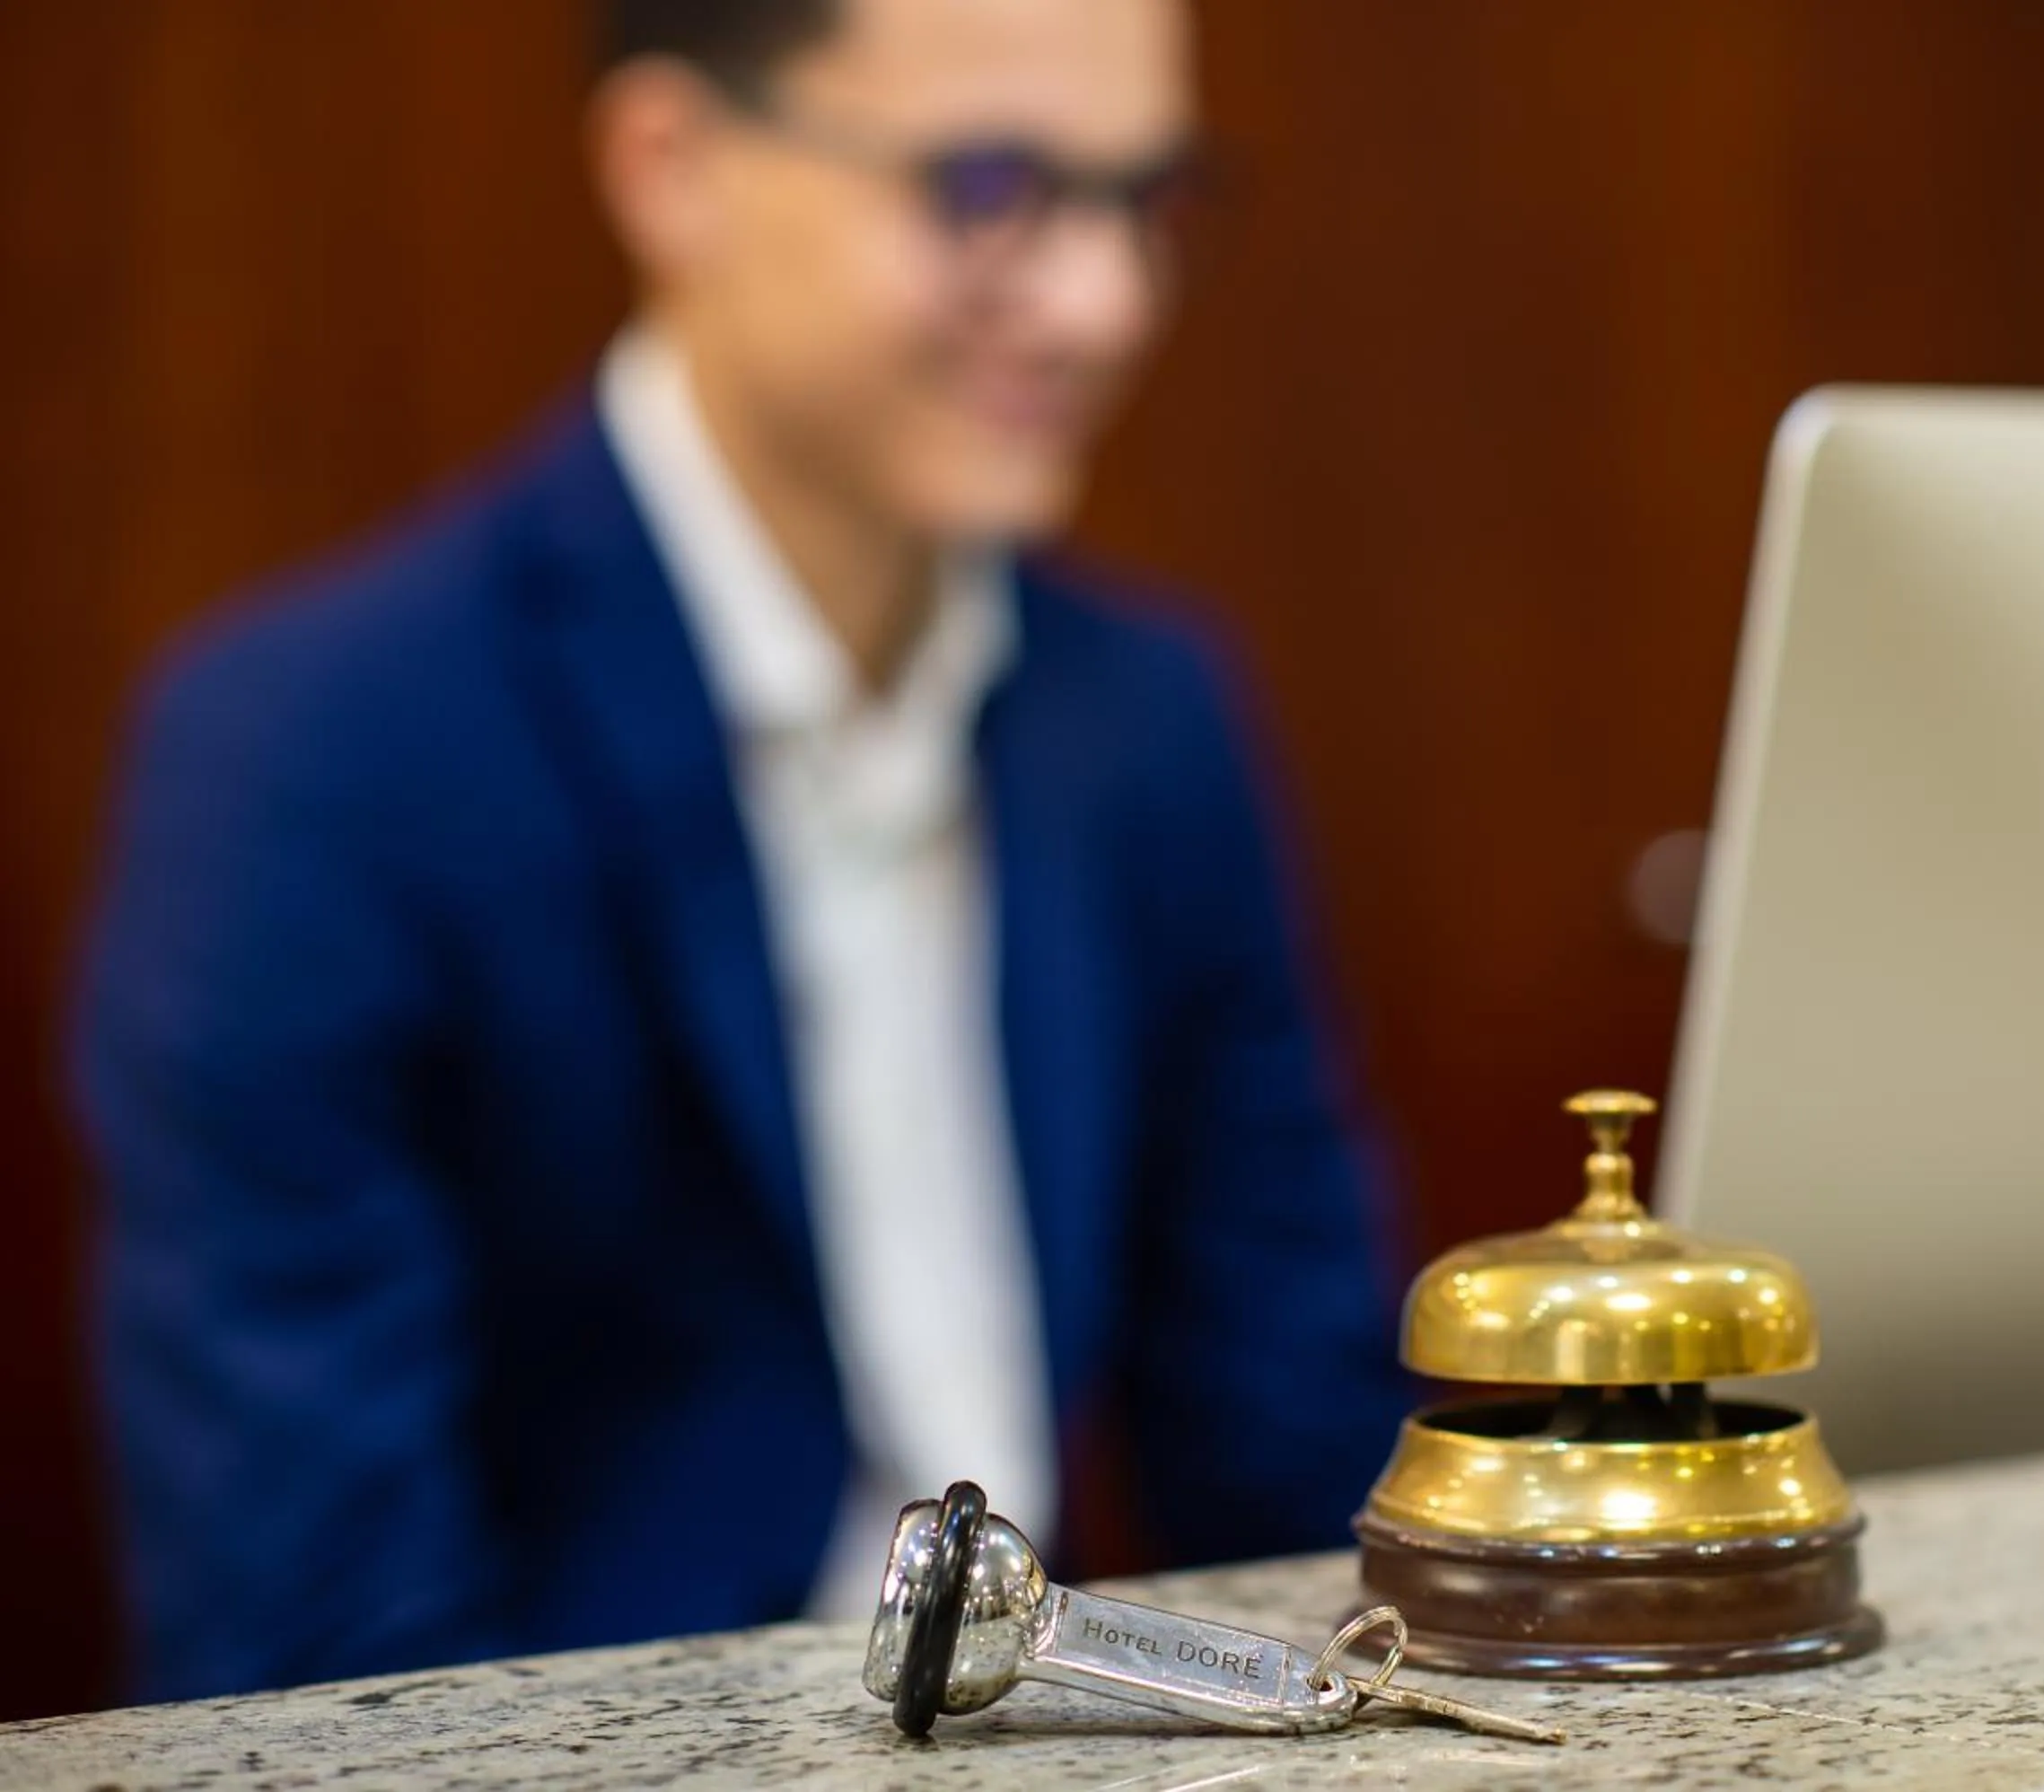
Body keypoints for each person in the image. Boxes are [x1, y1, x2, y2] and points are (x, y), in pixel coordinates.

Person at [76, 0, 1409, 1701]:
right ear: (672, 165)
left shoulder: (1147, 717)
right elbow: (316, 1661)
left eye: (1145, 198)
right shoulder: (315, 755)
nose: (1105, 302)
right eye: (991, 187)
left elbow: (1296, 1457)